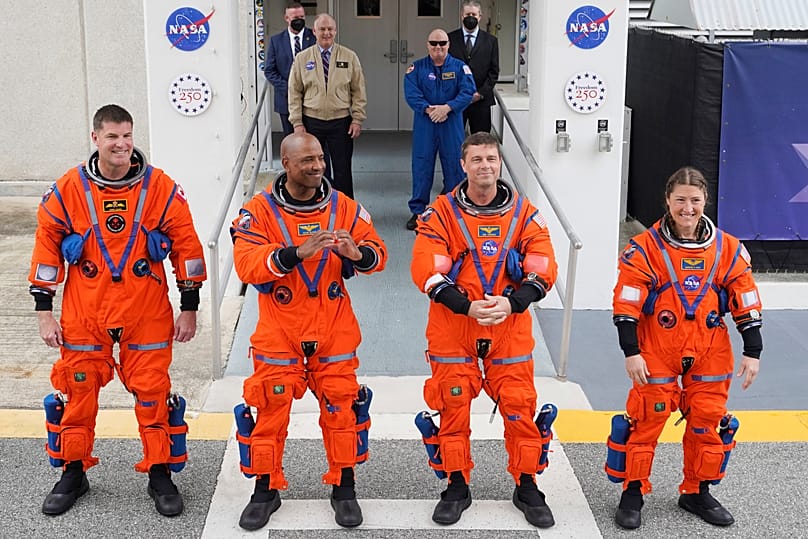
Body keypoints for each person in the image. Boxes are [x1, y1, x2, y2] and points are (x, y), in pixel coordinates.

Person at [29, 104, 207, 517]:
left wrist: (190, 306)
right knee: (78, 392)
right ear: (95, 138)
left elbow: (187, 247)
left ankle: (160, 472)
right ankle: (73, 471)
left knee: (153, 392)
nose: (121, 144)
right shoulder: (68, 189)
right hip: (85, 312)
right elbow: (46, 248)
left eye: (127, 135)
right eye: (112, 136)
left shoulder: (160, 187)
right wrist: (43, 311)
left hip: (145, 310)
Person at [230, 132, 387, 531]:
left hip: (333, 324)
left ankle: (344, 487)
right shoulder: (258, 211)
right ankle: (265, 490)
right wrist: (296, 253)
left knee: (342, 408)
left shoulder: (344, 207)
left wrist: (357, 254)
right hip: (280, 327)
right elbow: (247, 264)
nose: (318, 166)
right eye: (307, 161)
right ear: (286, 163)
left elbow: (379, 254)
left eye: (319, 158)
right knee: (270, 408)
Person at [410, 132, 558, 528]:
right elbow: (425, 267)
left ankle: (527, 485)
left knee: (519, 404)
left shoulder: (525, 215)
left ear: (499, 162)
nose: (485, 166)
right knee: (452, 404)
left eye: (491, 158)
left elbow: (543, 263)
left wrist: (513, 303)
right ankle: (456, 485)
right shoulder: (440, 214)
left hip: (509, 324)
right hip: (454, 324)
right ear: (463, 165)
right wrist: (466, 306)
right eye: (476, 159)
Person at [608, 166, 762, 530]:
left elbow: (746, 298)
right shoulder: (644, 248)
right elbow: (626, 303)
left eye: (695, 200)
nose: (687, 208)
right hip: (657, 349)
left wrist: (752, 350)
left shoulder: (728, 249)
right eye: (680, 200)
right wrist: (631, 352)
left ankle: (696, 491)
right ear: (667, 200)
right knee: (647, 420)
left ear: (705, 200)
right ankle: (633, 492)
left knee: (707, 421)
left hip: (710, 349)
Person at [288, 13, 367, 199]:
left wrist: (357, 119)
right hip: (311, 122)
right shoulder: (302, 58)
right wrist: (297, 123)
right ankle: (316, 205)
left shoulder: (349, 56)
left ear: (335, 31)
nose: (326, 33)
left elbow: (358, 90)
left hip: (341, 122)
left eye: (330, 29)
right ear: (314, 31)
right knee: (314, 169)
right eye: (322, 29)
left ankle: (345, 208)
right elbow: (294, 92)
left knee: (343, 169)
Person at [404, 28, 475, 231]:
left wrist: (447, 108)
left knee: (454, 165)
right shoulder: (416, 68)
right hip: (425, 124)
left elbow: (468, 92)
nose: (438, 47)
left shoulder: (460, 68)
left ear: (448, 45)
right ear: (427, 45)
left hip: (451, 124)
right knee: (422, 165)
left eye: (442, 43)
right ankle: (418, 211)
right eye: (434, 43)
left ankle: (455, 211)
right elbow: (411, 93)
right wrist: (429, 110)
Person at [264, 2, 316, 137]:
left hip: (313, 101)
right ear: (286, 18)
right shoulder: (276, 41)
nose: (299, 20)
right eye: (295, 18)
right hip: (286, 101)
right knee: (292, 141)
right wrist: (290, 88)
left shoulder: (315, 38)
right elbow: (269, 70)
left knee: (314, 142)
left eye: (302, 17)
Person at [448, 0, 500, 135]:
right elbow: (446, 68)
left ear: (480, 16)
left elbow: (494, 72)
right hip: (456, 100)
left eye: (474, 14)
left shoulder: (491, 41)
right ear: (462, 16)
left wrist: (480, 93)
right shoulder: (450, 39)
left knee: (480, 140)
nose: (470, 17)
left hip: (481, 101)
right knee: (453, 139)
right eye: (467, 14)